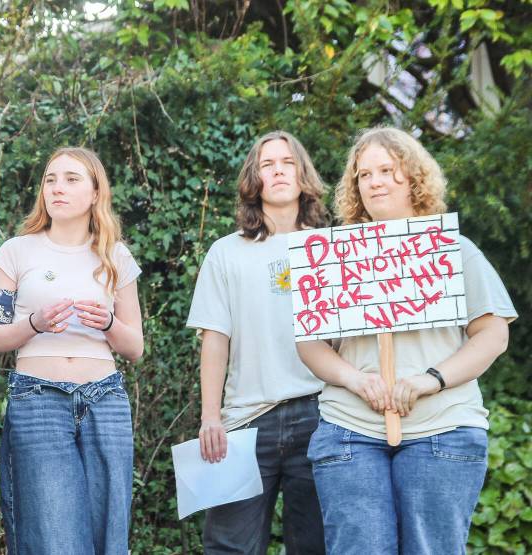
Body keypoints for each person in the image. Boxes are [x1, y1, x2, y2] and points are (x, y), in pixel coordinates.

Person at [297, 127, 516, 554]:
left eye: (387, 170)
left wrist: (431, 379)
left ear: (413, 178)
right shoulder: (332, 258)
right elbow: (310, 344)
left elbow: (492, 333)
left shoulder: (454, 249)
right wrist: (356, 380)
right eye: (364, 175)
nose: (375, 181)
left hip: (444, 426)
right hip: (350, 428)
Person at [0, 146, 143, 554]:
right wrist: (34, 323)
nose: (57, 188)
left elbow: (135, 347)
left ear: (94, 193)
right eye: (51, 179)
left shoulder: (116, 256)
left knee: (109, 533)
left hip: (105, 400)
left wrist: (106, 323)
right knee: (54, 537)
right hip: (38, 401)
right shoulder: (15, 251)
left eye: (71, 179)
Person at [186, 130, 328, 554]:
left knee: (316, 546)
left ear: (303, 176)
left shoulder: (333, 247)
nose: (279, 170)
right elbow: (215, 339)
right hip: (245, 421)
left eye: (288, 162)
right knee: (229, 547)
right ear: (255, 179)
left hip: (324, 415)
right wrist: (211, 416)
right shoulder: (225, 252)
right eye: (268, 164)